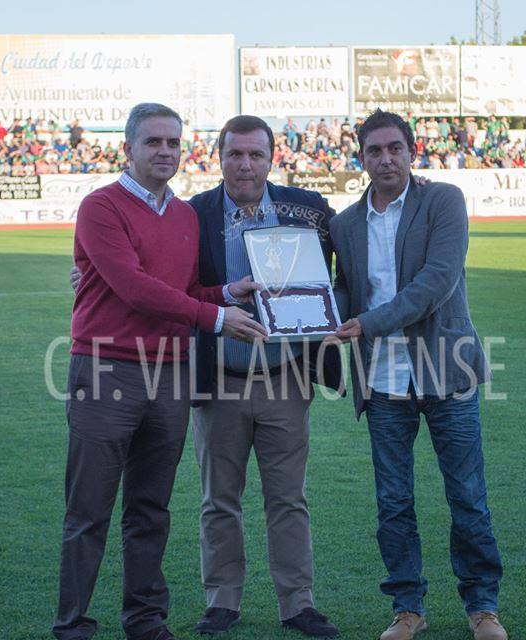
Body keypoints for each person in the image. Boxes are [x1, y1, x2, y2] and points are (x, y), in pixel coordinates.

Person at [52, 103, 266, 640]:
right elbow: (134, 287)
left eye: (173, 142)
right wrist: (216, 316)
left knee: (151, 509)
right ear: (128, 148)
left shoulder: (186, 215)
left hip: (170, 373)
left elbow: (183, 293)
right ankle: (72, 622)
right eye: (153, 142)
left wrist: (223, 294)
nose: (165, 151)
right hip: (107, 368)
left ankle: (145, 620)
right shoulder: (101, 206)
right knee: (89, 511)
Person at [326, 109, 506, 640]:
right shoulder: (344, 223)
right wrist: (301, 312)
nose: (385, 158)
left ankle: (482, 606)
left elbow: (436, 283)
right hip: (382, 382)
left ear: (411, 151)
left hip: (446, 374)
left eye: (394, 148)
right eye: (374, 150)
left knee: (467, 495)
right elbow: (343, 291)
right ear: (361, 158)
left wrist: (364, 323)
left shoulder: (443, 200)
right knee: (393, 502)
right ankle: (407, 608)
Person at [187, 115, 342, 637]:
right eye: (235, 154)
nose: (245, 164)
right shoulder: (195, 214)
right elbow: (162, 278)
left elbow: (353, 263)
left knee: (288, 498)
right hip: (220, 379)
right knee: (218, 499)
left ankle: (297, 603)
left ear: (273, 157)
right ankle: (222, 601)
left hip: (286, 379)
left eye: (255, 154)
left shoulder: (309, 211)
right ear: (219, 157)